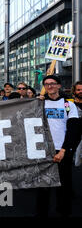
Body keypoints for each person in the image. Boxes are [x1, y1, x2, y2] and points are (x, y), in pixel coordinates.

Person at [36, 75, 80, 217]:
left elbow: (73, 130)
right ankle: (42, 213)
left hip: (62, 150)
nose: (50, 86)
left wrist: (63, 150)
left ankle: (63, 212)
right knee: (43, 187)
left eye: (53, 84)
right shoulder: (40, 104)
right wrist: (34, 102)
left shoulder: (68, 105)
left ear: (59, 86)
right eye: (47, 84)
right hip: (44, 151)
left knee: (64, 186)